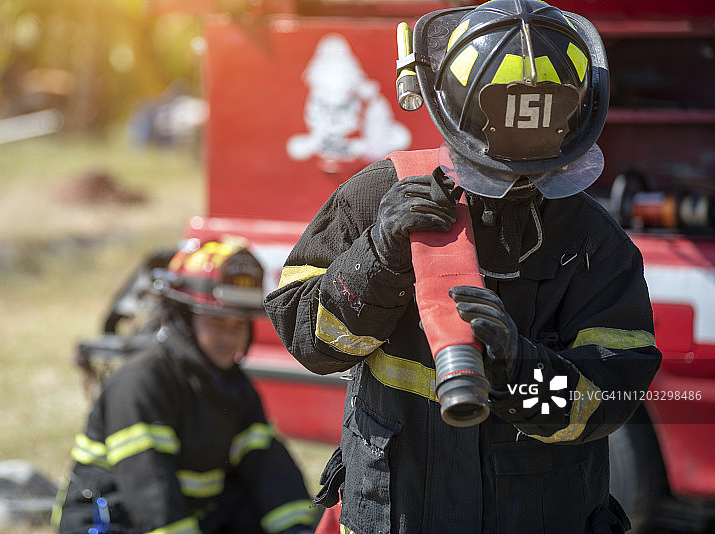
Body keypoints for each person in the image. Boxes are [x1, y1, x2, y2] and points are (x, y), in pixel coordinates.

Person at [263, 1, 662, 533]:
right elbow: (303, 333)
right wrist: (379, 257)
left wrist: (522, 372)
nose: (522, 183)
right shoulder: (378, 195)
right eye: (497, 168)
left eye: (541, 168)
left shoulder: (592, 241)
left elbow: (612, 393)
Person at [54, 240, 317, 534]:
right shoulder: (142, 382)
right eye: (217, 322)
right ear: (184, 318)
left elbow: (268, 467)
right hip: (114, 522)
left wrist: (296, 528)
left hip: (191, 516)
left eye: (239, 324)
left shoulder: (232, 384)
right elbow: (152, 493)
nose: (229, 338)